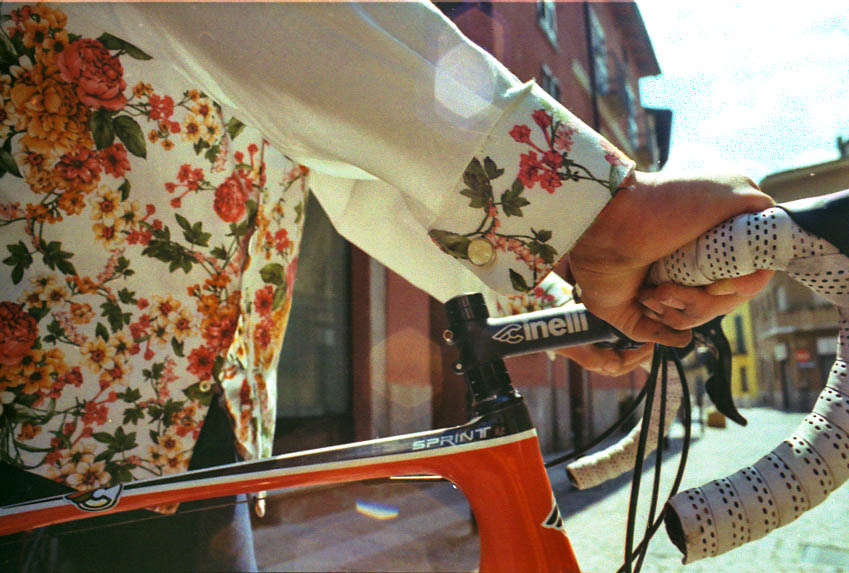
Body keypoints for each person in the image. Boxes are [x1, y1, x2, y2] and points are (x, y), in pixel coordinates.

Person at [0, 2, 772, 570]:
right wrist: (594, 209)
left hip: (198, 435)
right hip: (31, 426)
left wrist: (549, 300)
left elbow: (357, 184)